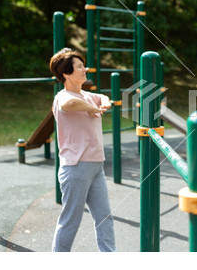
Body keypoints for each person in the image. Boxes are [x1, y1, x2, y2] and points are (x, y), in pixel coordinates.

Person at [50, 48, 116, 252]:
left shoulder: (87, 95)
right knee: (71, 220)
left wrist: (103, 102)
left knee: (104, 217)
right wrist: (91, 108)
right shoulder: (62, 97)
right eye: (79, 66)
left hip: (97, 166)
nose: (84, 69)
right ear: (66, 74)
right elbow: (69, 104)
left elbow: (103, 98)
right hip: (76, 167)